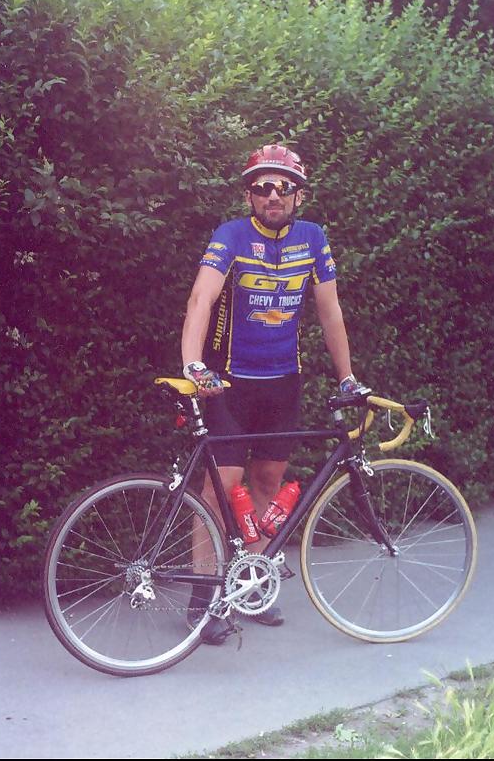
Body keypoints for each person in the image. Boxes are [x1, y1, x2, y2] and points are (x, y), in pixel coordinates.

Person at [181, 144, 362, 644]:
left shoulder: (313, 238)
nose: (273, 195)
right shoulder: (231, 235)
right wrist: (192, 363)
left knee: (266, 481)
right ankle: (202, 599)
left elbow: (330, 312)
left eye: (284, 186)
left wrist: (347, 377)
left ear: (299, 194)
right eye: (262, 186)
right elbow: (201, 298)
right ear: (249, 195)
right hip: (229, 382)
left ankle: (250, 586)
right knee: (220, 489)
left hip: (283, 383)